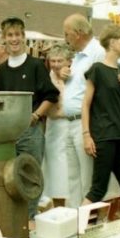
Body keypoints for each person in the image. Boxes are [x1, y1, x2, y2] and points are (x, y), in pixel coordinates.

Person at [0, 16, 59, 218]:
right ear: (4, 39)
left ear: (23, 37)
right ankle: (13, 220)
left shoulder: (37, 65)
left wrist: (36, 115)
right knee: (9, 177)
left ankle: (29, 221)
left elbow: (51, 95)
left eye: (17, 35)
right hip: (8, 133)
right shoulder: (1, 71)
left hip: (30, 132)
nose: (14, 39)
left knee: (30, 177)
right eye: (9, 35)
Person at [81, 24, 120, 203]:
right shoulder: (97, 69)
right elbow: (86, 104)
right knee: (98, 189)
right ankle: (80, 226)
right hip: (103, 135)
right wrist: (86, 135)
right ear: (112, 42)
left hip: (118, 135)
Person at [61, 13, 104, 207]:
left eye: (67, 33)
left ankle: (87, 223)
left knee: (87, 178)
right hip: (69, 122)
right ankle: (74, 219)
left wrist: (89, 130)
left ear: (78, 33)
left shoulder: (97, 53)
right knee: (73, 177)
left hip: (83, 122)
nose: (65, 38)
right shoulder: (78, 57)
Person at [42, 43, 74, 204]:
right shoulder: (47, 77)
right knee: (55, 165)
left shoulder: (74, 75)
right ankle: (57, 203)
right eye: (52, 61)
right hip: (54, 126)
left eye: (59, 61)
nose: (55, 64)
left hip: (71, 124)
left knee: (71, 165)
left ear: (68, 61)